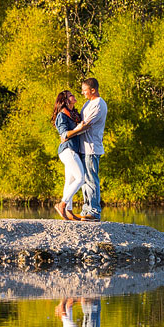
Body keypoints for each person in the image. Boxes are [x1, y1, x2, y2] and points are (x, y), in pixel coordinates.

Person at [61, 78, 107, 222]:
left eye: (84, 90)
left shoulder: (98, 104)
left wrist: (67, 135)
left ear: (93, 90)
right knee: (85, 180)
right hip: (83, 148)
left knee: (91, 180)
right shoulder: (89, 103)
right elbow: (80, 122)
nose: (82, 93)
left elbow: (85, 125)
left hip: (91, 148)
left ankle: (94, 211)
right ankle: (86, 209)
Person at [52, 90, 85, 221]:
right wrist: (77, 129)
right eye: (71, 95)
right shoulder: (62, 115)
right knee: (80, 178)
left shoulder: (74, 114)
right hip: (67, 150)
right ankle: (62, 204)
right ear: (65, 100)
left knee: (70, 181)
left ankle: (69, 211)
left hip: (73, 150)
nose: (74, 96)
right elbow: (64, 134)